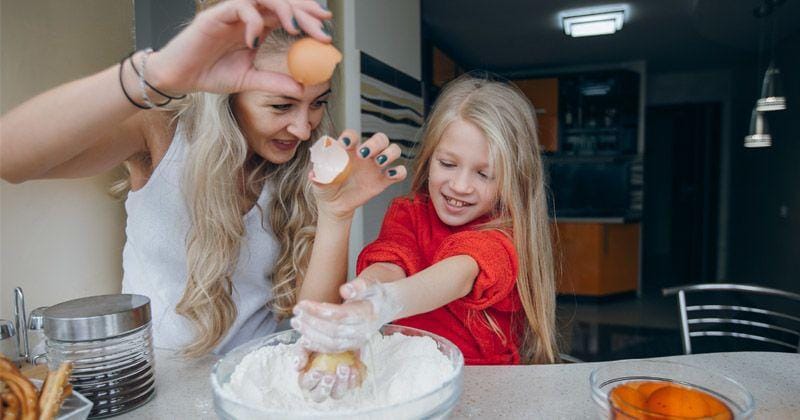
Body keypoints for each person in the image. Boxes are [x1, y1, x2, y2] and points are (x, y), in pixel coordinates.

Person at [0, 0, 406, 358]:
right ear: (229, 95)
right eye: (281, 105)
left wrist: (337, 214)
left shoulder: (301, 169)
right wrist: (156, 74)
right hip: (156, 385)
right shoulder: (160, 133)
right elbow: (10, 159)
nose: (303, 129)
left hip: (248, 381)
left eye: (317, 103)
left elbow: (313, 324)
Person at [291, 74, 559, 397]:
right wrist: (365, 292)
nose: (460, 185)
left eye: (483, 174)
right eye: (447, 163)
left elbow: (457, 274)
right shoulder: (408, 213)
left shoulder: (504, 236)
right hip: (404, 382)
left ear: (513, 181)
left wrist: (384, 305)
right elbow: (391, 262)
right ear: (430, 157)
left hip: (480, 391)